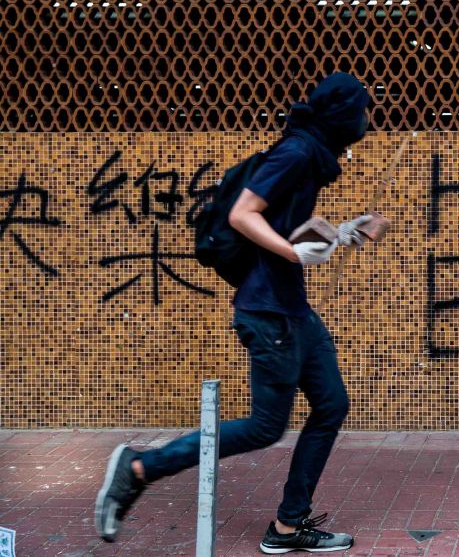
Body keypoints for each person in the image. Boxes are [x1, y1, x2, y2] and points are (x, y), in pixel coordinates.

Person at [95, 73, 374, 553]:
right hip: (269, 312)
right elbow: (242, 215)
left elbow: (286, 226)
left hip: (291, 309)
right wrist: (292, 251)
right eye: (364, 110)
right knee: (265, 427)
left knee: (331, 404)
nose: (368, 120)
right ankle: (139, 467)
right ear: (342, 113)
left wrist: (341, 232)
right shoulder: (297, 152)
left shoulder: (311, 155)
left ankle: (287, 528)